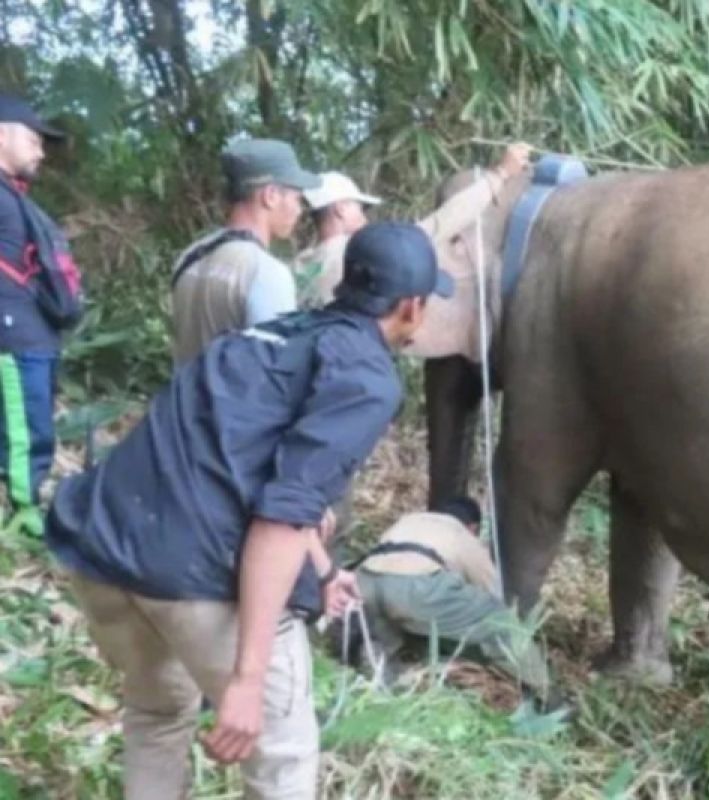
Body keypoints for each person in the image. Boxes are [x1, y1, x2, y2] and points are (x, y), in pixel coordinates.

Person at [46, 221, 452, 799]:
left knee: (157, 714)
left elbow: (252, 470)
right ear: (412, 306)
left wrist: (324, 568)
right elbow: (280, 519)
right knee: (283, 758)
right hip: (189, 577)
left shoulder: (273, 335)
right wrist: (246, 678)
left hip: (102, 547)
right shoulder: (366, 377)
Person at [343, 496, 550, 694]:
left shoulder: (411, 520)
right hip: (416, 590)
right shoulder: (461, 533)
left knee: (387, 623)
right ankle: (545, 691)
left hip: (365, 581)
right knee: (501, 621)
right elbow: (490, 588)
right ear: (473, 527)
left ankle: (380, 665)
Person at [0, 92, 83, 538]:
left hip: (36, 335)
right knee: (21, 428)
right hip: (13, 338)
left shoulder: (15, 197)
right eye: (32, 139)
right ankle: (23, 509)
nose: (40, 150)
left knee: (30, 423)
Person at [170, 138, 319, 366]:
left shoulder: (190, 256)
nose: (300, 210)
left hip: (181, 400)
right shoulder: (266, 273)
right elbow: (272, 375)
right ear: (270, 196)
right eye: (297, 198)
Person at [293, 171, 380, 308]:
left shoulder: (301, 263)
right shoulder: (352, 254)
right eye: (360, 209)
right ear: (341, 209)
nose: (365, 218)